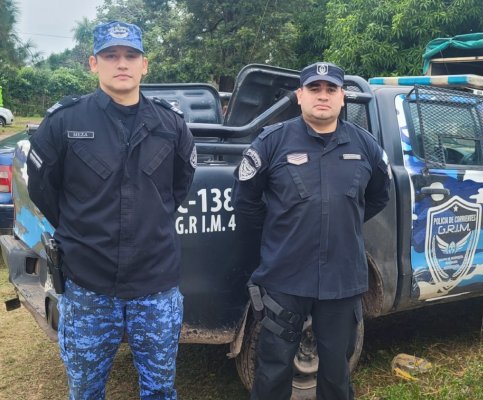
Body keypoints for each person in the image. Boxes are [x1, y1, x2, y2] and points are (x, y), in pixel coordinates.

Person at [26, 20, 196, 399]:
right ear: (93, 63)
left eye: (130, 55)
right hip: (89, 284)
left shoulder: (170, 124)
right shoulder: (64, 122)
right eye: (111, 55)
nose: (122, 63)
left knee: (159, 390)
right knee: (86, 389)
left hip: (155, 285)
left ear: (144, 65)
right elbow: (43, 190)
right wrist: (82, 230)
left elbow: (180, 186)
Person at [233, 62, 391, 399]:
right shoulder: (271, 142)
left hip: (341, 280)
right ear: (300, 96)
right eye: (315, 89)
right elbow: (246, 202)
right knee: (273, 369)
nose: (323, 96)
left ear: (342, 97)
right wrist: (281, 232)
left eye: (331, 89)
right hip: (284, 277)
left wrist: (339, 223)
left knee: (336, 373)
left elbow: (377, 197)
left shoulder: (366, 147)